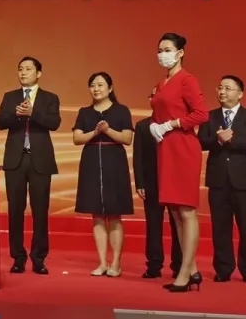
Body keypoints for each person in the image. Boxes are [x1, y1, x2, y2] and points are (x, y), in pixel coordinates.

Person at [149, 33, 209, 292]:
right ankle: (192, 268)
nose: (163, 54)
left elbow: (201, 114)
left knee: (186, 209)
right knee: (174, 210)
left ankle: (184, 272)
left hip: (183, 146)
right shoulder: (162, 83)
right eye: (160, 50)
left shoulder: (187, 80)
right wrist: (155, 125)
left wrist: (172, 124)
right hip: (166, 147)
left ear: (180, 52)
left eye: (167, 49)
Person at [0, 56, 61, 275]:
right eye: (20, 69)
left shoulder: (50, 98)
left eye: (28, 69)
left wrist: (33, 114)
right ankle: (18, 257)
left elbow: (54, 123)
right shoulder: (10, 96)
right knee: (15, 210)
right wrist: (16, 114)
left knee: (40, 211)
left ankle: (39, 258)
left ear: (38, 73)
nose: (23, 73)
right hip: (15, 159)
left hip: (39, 159)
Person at [199, 74, 246, 284]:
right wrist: (218, 140)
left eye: (227, 88)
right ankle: (223, 268)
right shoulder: (209, 117)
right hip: (218, 180)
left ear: (240, 94)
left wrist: (232, 139)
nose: (222, 92)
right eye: (220, 88)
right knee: (220, 228)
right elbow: (201, 142)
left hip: (245, 182)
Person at [72, 72, 134, 277]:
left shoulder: (121, 110)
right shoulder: (85, 112)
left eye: (100, 85)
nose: (96, 89)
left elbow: (127, 138)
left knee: (114, 214)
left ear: (110, 87)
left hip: (114, 162)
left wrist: (107, 130)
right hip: (91, 162)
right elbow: (77, 138)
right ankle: (102, 262)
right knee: (96, 215)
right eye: (92, 85)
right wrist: (95, 133)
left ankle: (116, 262)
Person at [132, 92, 183, 279]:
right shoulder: (142, 126)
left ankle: (179, 264)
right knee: (153, 225)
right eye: (152, 96)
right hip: (151, 182)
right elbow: (138, 157)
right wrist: (140, 182)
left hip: (174, 181)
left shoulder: (176, 124)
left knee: (178, 224)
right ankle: (154, 265)